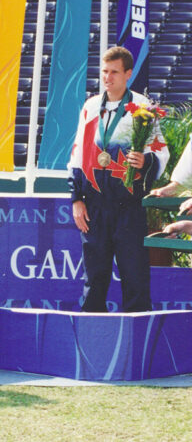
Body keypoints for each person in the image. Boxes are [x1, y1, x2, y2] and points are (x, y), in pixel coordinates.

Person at [68, 46, 169, 312]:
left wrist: (144, 161)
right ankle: (91, 341)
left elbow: (161, 151)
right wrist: (77, 198)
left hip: (128, 205)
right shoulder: (91, 106)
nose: (107, 77)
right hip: (95, 204)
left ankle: (138, 344)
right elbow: (78, 153)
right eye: (104, 71)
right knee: (94, 277)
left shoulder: (142, 108)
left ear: (128, 74)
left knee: (134, 276)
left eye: (114, 72)